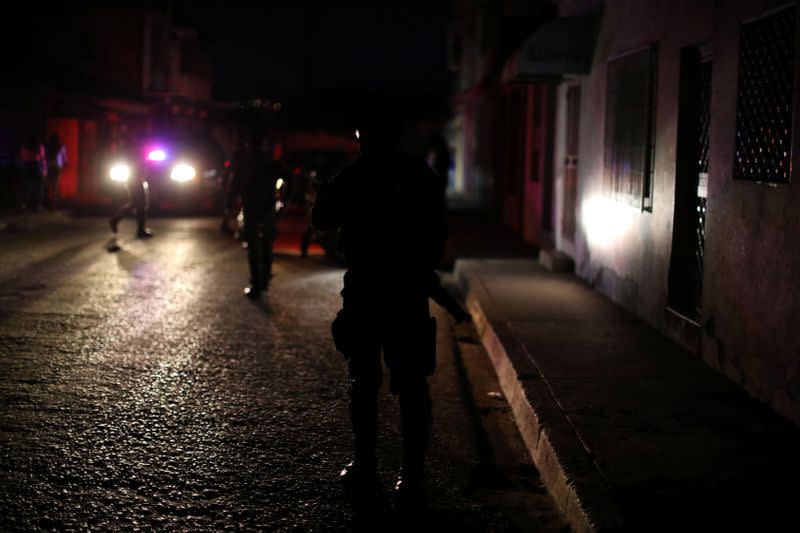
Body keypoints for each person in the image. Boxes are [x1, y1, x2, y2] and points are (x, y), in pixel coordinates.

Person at [311, 107, 447, 507]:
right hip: (405, 294)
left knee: (365, 383)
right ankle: (410, 474)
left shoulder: (355, 175)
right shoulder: (418, 174)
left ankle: (369, 465)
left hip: (368, 292)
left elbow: (320, 218)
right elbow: (436, 233)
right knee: (409, 386)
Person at [225, 128, 281, 299]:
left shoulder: (245, 159)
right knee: (266, 244)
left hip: (253, 206)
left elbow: (235, 182)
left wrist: (230, 204)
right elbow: (288, 177)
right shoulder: (270, 160)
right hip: (268, 206)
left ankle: (257, 284)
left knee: (254, 245)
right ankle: (263, 281)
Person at [109, 134, 153, 239]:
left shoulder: (132, 148)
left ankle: (139, 229)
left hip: (135, 178)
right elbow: (136, 164)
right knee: (139, 203)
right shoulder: (132, 149)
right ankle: (138, 230)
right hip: (135, 178)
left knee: (137, 203)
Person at [44, 133, 67, 210]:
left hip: (49, 166)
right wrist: (65, 164)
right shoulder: (61, 146)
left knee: (49, 186)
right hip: (57, 167)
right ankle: (53, 205)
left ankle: (49, 203)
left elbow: (44, 157)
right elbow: (64, 158)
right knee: (55, 186)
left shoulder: (47, 146)